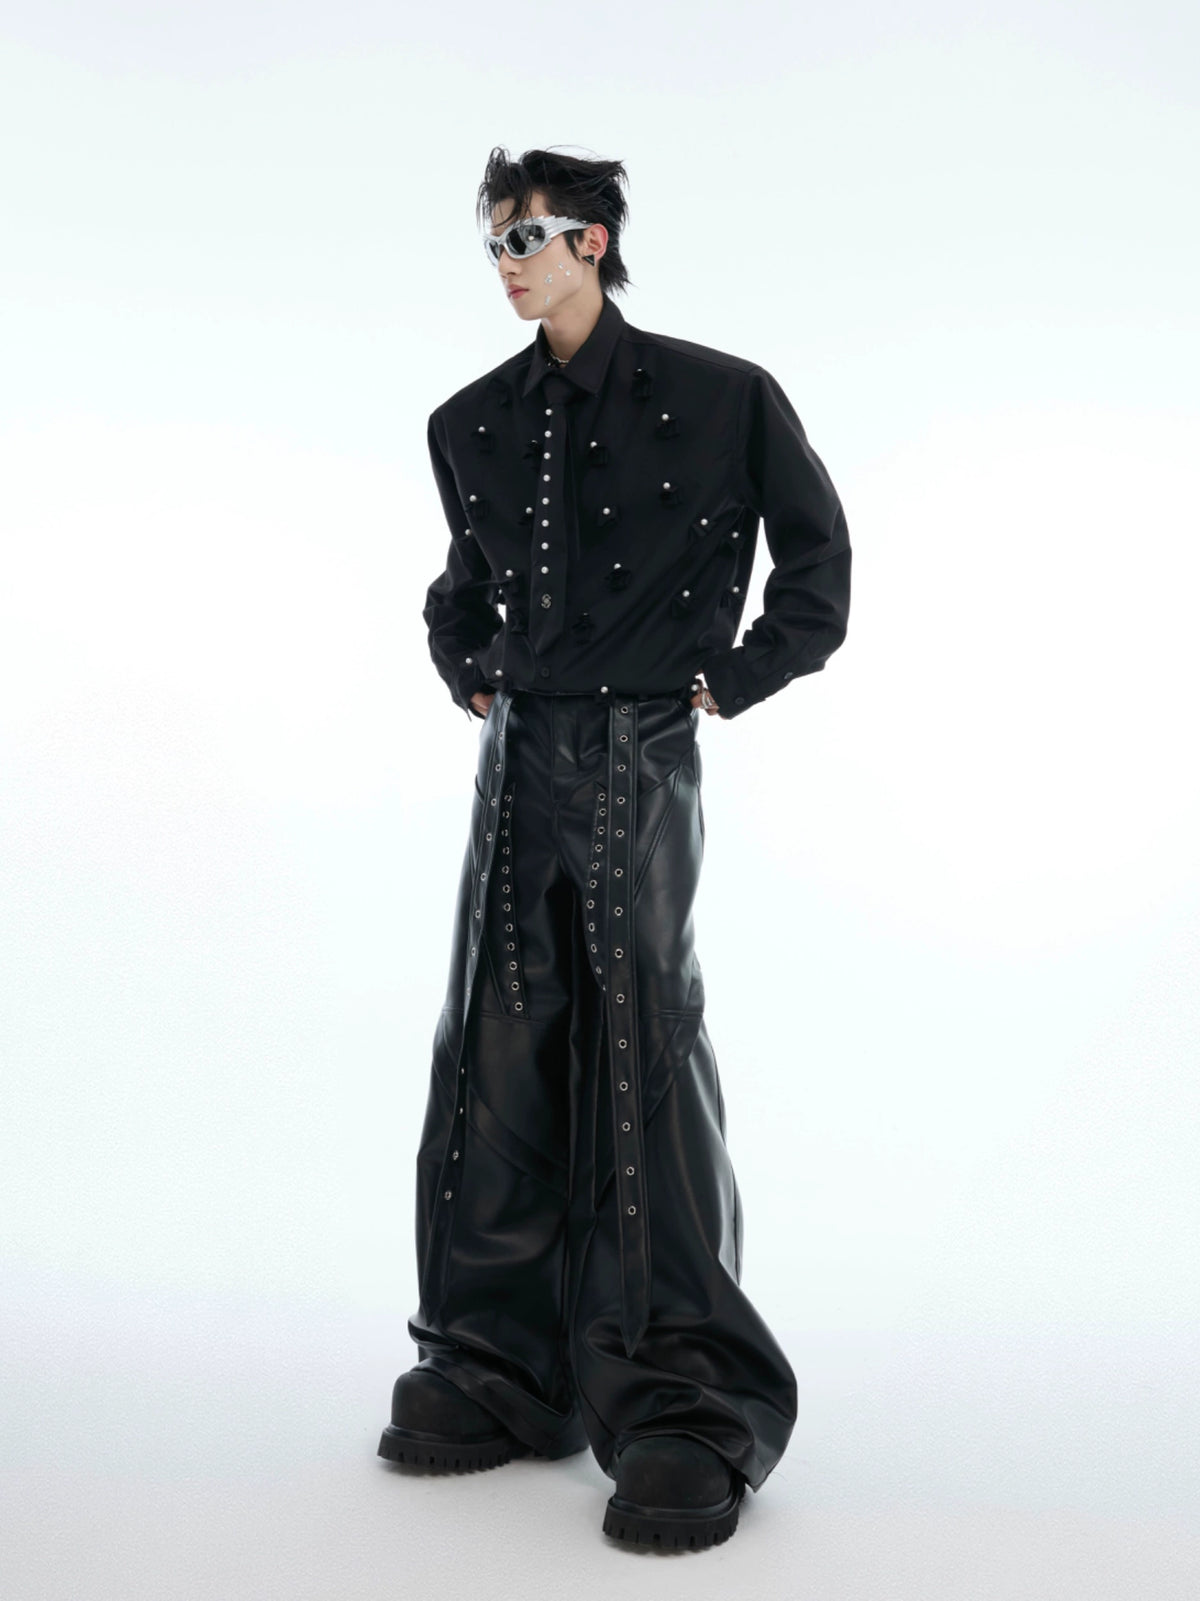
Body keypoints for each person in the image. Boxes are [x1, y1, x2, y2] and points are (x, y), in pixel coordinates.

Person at [377, 145, 851, 1550]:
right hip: (520, 753)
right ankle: (496, 1362)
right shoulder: (469, 421)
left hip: (642, 748)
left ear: (594, 240)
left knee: (644, 1039)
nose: (508, 263)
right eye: (494, 242)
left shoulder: (724, 397)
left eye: (528, 237)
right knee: (498, 1036)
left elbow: (818, 567)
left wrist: (734, 676)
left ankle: (683, 1395)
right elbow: (462, 587)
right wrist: (466, 662)